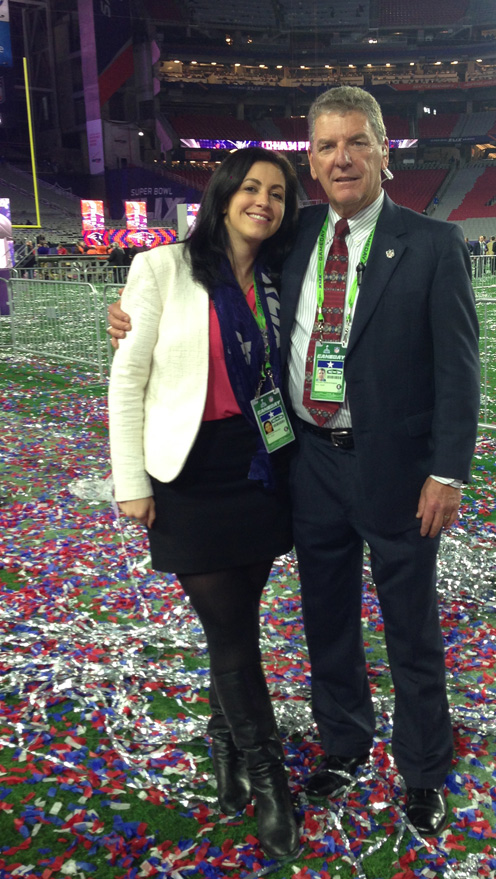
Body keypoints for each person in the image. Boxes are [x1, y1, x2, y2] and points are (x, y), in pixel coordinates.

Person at [109, 87, 480, 838]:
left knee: (411, 627)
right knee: (327, 619)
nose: (341, 157)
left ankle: (423, 770)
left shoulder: (435, 243)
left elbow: (460, 370)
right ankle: (344, 743)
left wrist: (449, 471)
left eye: (356, 142)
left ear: (384, 150)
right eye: (325, 146)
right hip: (309, 462)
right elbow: (206, 272)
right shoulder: (297, 233)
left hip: (399, 471)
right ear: (312, 160)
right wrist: (124, 312)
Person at [108, 147, 301, 861]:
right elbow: (127, 383)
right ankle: (269, 775)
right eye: (251, 187)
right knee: (229, 632)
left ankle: (224, 740)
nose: (263, 201)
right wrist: (131, 480)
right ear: (223, 195)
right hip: (188, 475)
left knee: (237, 625)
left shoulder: (281, 277)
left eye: (277, 193)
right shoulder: (160, 268)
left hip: (260, 469)